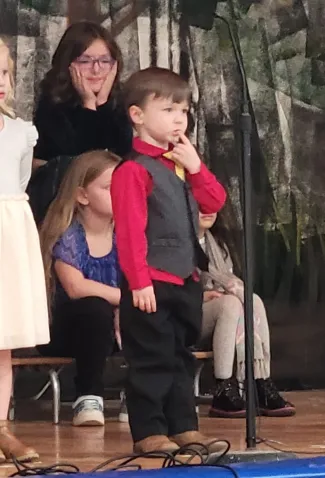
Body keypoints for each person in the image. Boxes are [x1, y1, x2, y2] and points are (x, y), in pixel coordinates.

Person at [111, 67, 227, 454]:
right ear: (138, 115)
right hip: (152, 281)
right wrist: (139, 280)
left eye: (184, 110)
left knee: (181, 356)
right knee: (151, 359)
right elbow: (128, 231)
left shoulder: (180, 164)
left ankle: (184, 426)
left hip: (185, 279)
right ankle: (149, 430)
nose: (179, 119)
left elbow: (214, 203)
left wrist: (196, 167)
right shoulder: (133, 170)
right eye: (168, 109)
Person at [38, 150, 121, 427]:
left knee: (151, 309)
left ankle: (141, 394)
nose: (120, 193)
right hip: (67, 328)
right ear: (83, 195)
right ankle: (88, 395)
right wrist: (125, 300)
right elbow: (75, 287)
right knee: (94, 307)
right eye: (110, 188)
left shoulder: (126, 234)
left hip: (116, 326)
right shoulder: (69, 234)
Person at [29, 21, 133, 224]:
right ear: (68, 64)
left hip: (108, 207)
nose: (96, 69)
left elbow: (121, 152)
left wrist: (102, 103)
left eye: (104, 61)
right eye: (85, 61)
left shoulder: (117, 102)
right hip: (62, 206)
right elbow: (83, 161)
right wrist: (89, 105)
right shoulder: (52, 103)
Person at [0, 39, 49, 462]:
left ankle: (0, 428)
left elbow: (17, 186)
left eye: (3, 72)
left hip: (8, 238)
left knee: (3, 341)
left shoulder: (20, 131)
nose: (0, 82)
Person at [198, 211, 296, 418]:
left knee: (251, 300)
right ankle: (222, 388)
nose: (206, 211)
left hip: (222, 315)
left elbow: (229, 282)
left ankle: (260, 380)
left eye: (211, 206)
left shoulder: (218, 245)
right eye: (199, 205)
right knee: (231, 303)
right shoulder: (177, 242)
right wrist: (201, 295)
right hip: (187, 313)